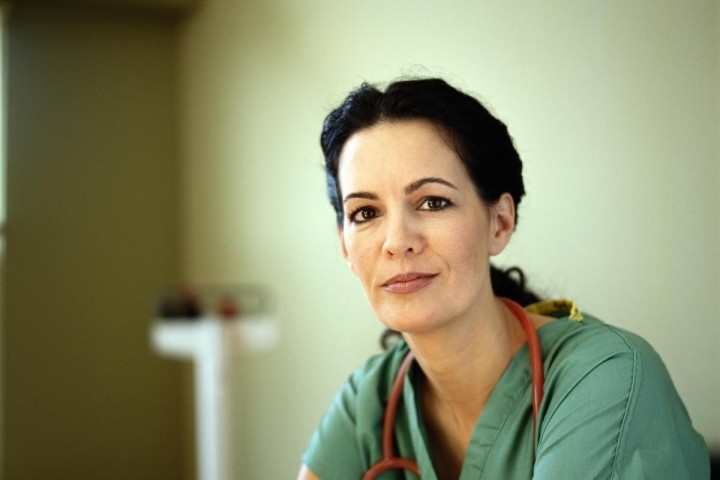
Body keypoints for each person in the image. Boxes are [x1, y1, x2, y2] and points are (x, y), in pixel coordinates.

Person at [298, 78, 710, 479]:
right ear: (344, 246)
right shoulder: (369, 401)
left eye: (433, 202)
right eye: (365, 213)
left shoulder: (607, 377)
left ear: (500, 222)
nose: (397, 241)